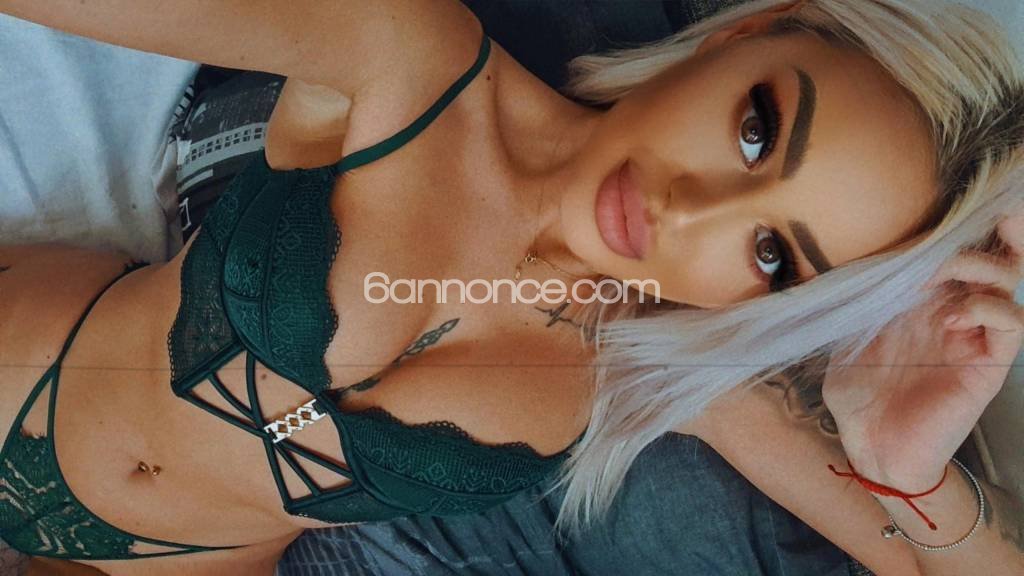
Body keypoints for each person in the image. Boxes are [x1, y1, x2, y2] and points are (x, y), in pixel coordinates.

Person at [0, 1, 1021, 576]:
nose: (688, 210)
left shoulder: (661, 365)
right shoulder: (411, 61)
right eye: (756, 131)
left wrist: (904, 468)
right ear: (747, 33)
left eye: (773, 256)